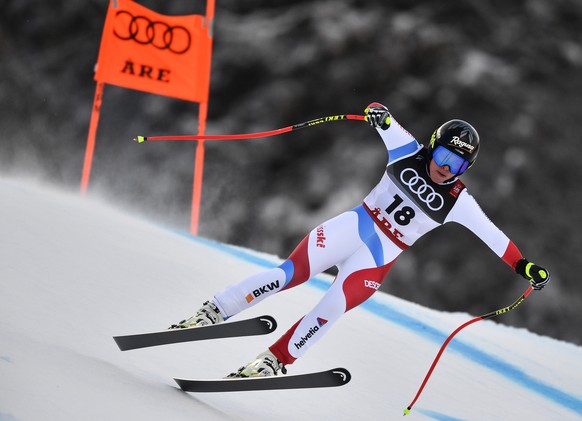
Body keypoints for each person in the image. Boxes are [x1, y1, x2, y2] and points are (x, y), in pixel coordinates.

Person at [171, 102, 550, 378]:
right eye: (444, 156)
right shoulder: (408, 150)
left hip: (379, 255)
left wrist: (524, 266)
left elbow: (496, 239)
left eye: (458, 165)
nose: (445, 168)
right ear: (433, 145)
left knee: (333, 305)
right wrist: (378, 114)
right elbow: (381, 114)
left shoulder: (459, 202)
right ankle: (214, 310)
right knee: (288, 274)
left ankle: (275, 361)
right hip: (354, 226)